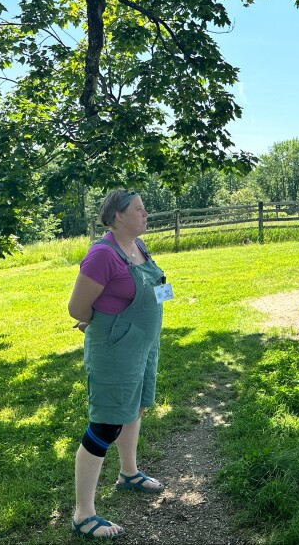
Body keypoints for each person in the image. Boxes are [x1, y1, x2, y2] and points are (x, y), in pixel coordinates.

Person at [67, 189, 172, 539]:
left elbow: (151, 288)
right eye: (139, 209)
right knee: (106, 424)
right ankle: (84, 514)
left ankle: (129, 474)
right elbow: (77, 309)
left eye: (145, 208)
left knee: (136, 408)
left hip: (142, 347)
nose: (146, 214)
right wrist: (100, 321)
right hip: (115, 349)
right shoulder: (102, 255)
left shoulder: (138, 247)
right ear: (118, 217)